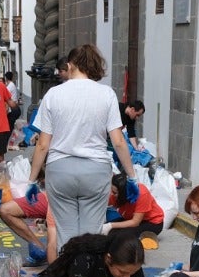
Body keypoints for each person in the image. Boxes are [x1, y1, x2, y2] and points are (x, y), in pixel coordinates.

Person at [29, 44, 137, 250]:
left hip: (60, 170)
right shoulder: (106, 94)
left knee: (66, 236)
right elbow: (118, 141)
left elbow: (43, 144)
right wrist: (132, 177)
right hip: (95, 171)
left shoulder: (54, 94)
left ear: (69, 66)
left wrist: (32, 180)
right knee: (92, 237)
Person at [103, 171, 164, 240]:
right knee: (105, 230)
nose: (111, 194)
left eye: (114, 193)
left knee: (119, 236)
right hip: (131, 219)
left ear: (123, 193)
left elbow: (135, 222)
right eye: (111, 190)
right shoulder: (116, 193)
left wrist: (110, 225)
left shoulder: (142, 194)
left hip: (151, 222)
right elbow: (102, 203)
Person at [0, 183, 49, 253]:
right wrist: (31, 182)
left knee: (55, 243)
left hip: (65, 201)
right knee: (5, 210)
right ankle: (40, 249)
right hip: (52, 195)